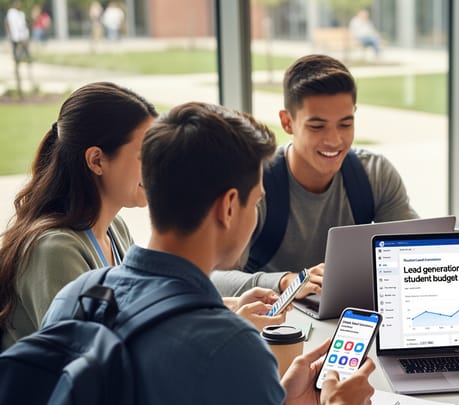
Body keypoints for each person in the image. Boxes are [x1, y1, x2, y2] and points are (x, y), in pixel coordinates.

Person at [40, 100, 384, 405]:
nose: (255, 215)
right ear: (228, 207)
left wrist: (272, 398)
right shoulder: (226, 346)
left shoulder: (75, 297)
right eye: (256, 201)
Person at [0, 82, 285, 352]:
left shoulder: (114, 228)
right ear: (97, 160)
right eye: (145, 155)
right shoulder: (54, 250)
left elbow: (135, 314)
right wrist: (227, 327)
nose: (157, 166)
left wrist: (230, 308)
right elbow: (98, 360)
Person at [212, 54, 418, 297]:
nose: (334, 140)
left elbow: (414, 254)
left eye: (345, 124)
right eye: (317, 126)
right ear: (287, 122)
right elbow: (214, 276)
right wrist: (286, 282)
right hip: (274, 324)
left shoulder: (375, 174)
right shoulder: (257, 181)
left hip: (347, 320)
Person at [5, 0, 31, 67]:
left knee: (24, 47)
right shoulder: (11, 12)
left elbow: (24, 23)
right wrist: (9, 33)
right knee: (15, 49)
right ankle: (17, 62)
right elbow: (7, 23)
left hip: (22, 34)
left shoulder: (21, 13)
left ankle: (26, 60)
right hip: (14, 34)